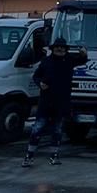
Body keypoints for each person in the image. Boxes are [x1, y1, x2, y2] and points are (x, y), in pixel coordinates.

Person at [23, 37, 87, 167]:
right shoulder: (46, 61)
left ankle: (54, 156)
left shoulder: (69, 60)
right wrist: (40, 83)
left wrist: (84, 53)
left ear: (66, 49)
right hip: (46, 102)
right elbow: (36, 76)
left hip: (61, 102)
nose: (60, 49)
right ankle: (29, 156)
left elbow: (82, 60)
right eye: (57, 47)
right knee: (37, 129)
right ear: (52, 49)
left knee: (57, 130)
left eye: (62, 47)